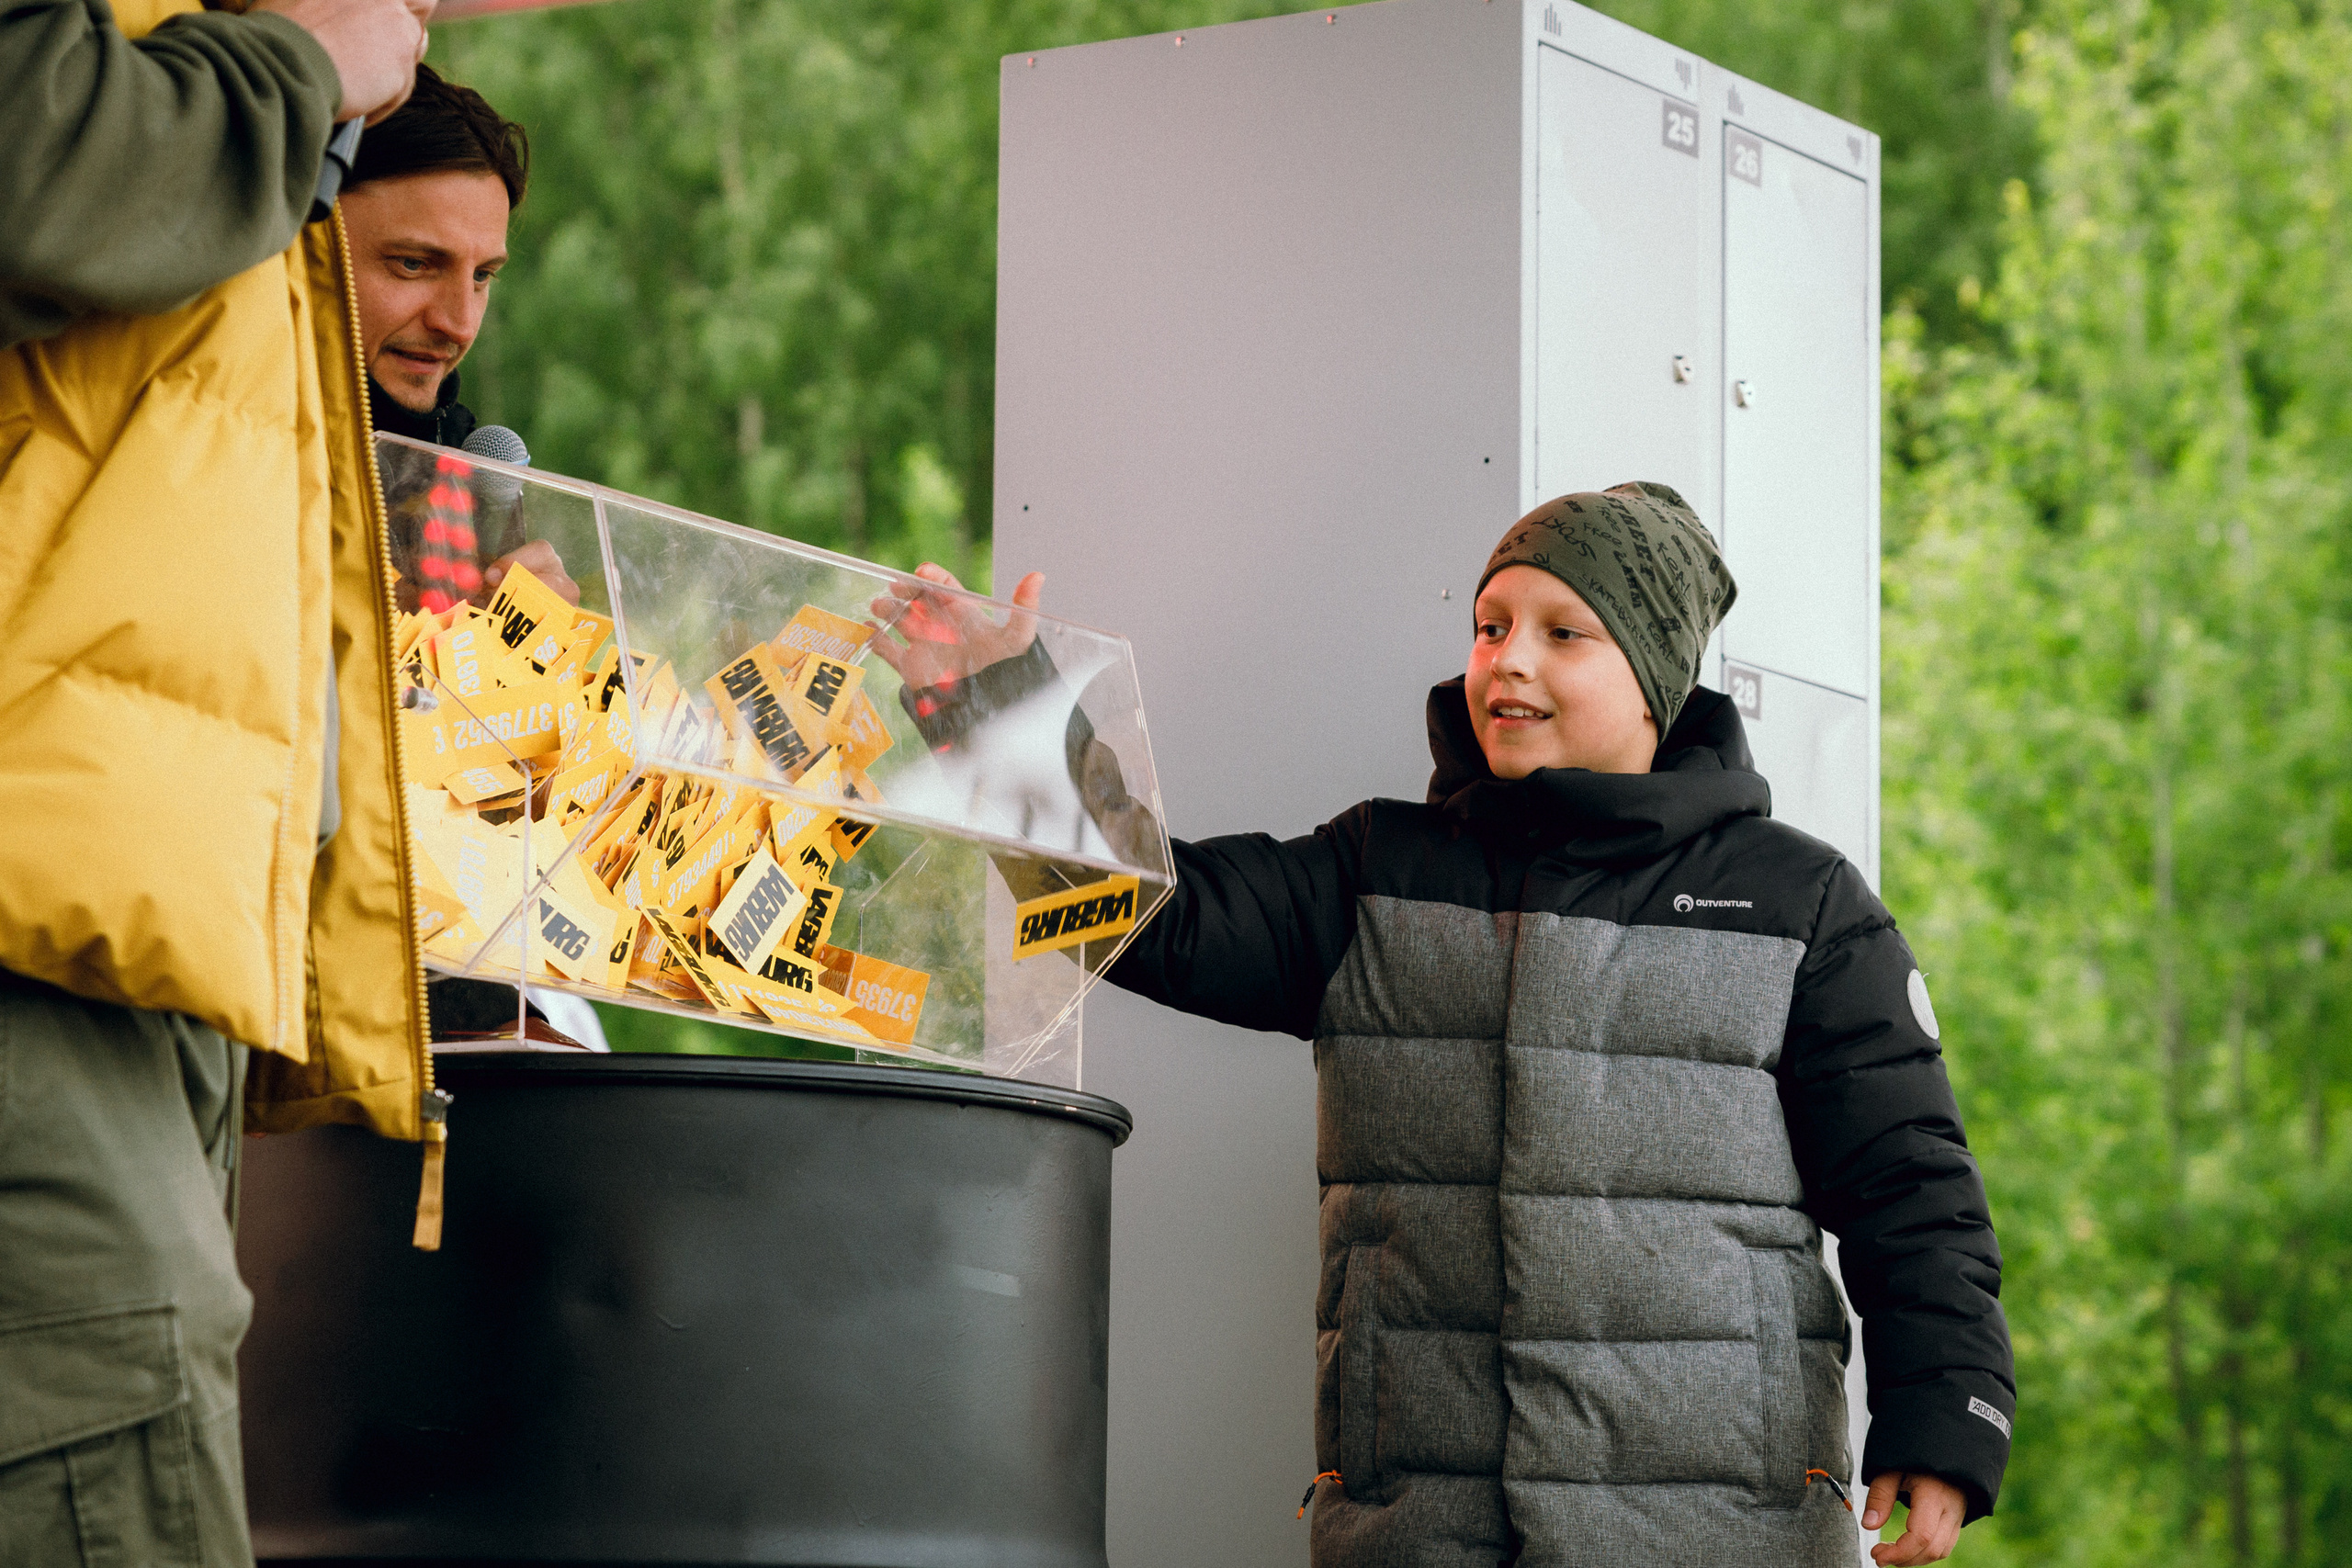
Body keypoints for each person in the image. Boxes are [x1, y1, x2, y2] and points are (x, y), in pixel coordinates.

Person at [872, 483, 2014, 1568]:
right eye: (1489, 624)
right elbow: (1142, 909)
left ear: (1656, 677)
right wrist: (997, 716)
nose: (1506, 659)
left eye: (1565, 632)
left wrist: (1942, 1418)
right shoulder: (1374, 871)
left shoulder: (1800, 904)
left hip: (1724, 1528)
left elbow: (1909, 1187)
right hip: (1422, 1532)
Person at [1, 0, 453, 1560]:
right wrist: (298, 67)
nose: (453, 316)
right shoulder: (239, 77)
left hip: (131, 958)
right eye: (412, 263)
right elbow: (31, 162)